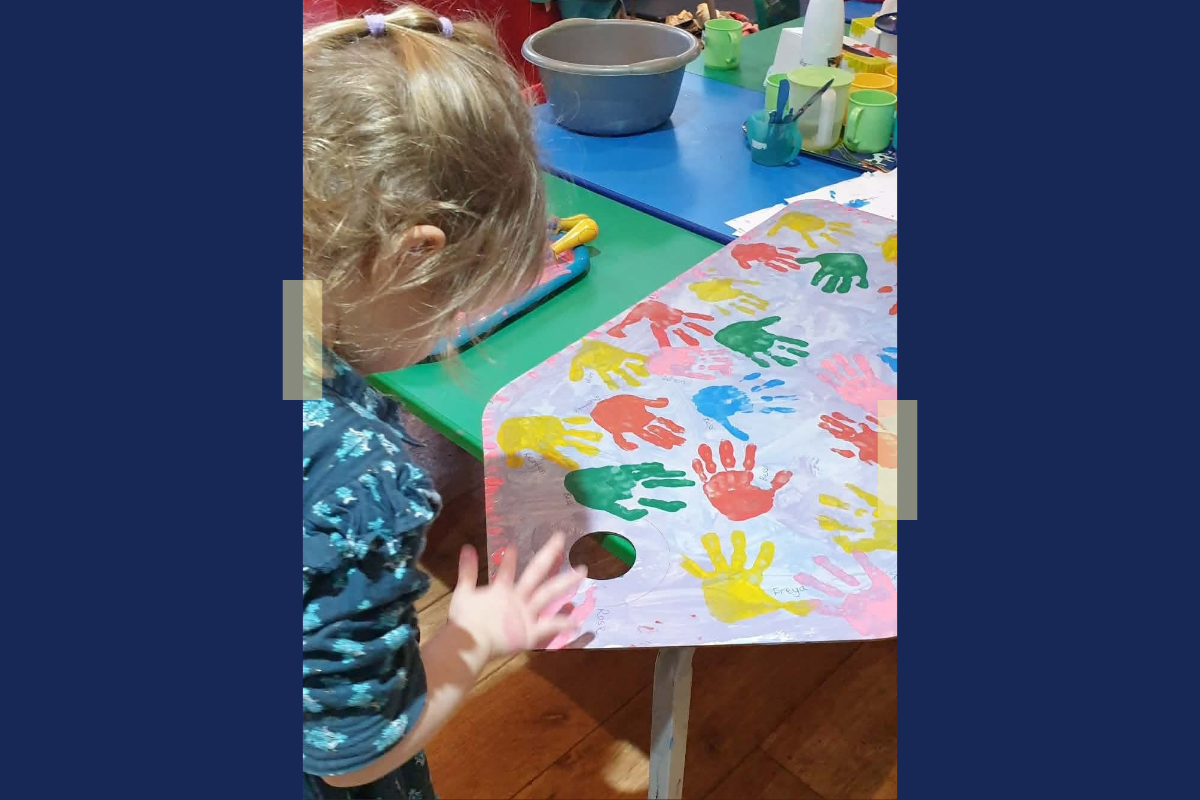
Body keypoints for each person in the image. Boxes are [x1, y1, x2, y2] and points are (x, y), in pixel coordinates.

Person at [302, 6, 587, 797]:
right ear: (410, 256)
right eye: (456, 305)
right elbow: (352, 753)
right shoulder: (351, 476)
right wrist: (472, 637)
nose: (452, 329)